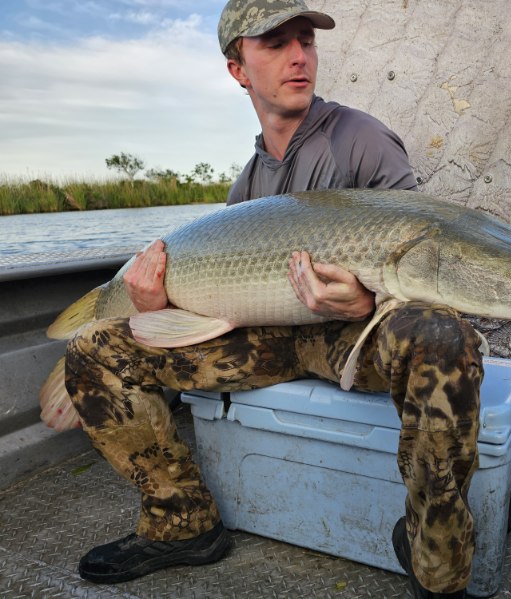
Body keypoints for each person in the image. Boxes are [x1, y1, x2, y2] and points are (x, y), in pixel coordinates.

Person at [64, 1, 483, 598]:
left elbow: (421, 256)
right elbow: (222, 293)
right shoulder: (249, 180)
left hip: (352, 336)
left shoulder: (361, 138)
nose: (299, 57)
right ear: (238, 69)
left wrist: (367, 301)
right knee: (92, 348)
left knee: (443, 336)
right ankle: (183, 522)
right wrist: (154, 304)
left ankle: (436, 557)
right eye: (275, 43)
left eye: (305, 41)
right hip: (271, 340)